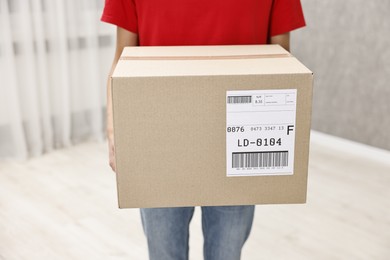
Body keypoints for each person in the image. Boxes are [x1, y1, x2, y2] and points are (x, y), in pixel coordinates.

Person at [101, 1, 305, 259]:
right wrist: (114, 127)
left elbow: (280, 63)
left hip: (237, 142)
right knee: (164, 252)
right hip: (158, 137)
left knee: (226, 253)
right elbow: (123, 58)